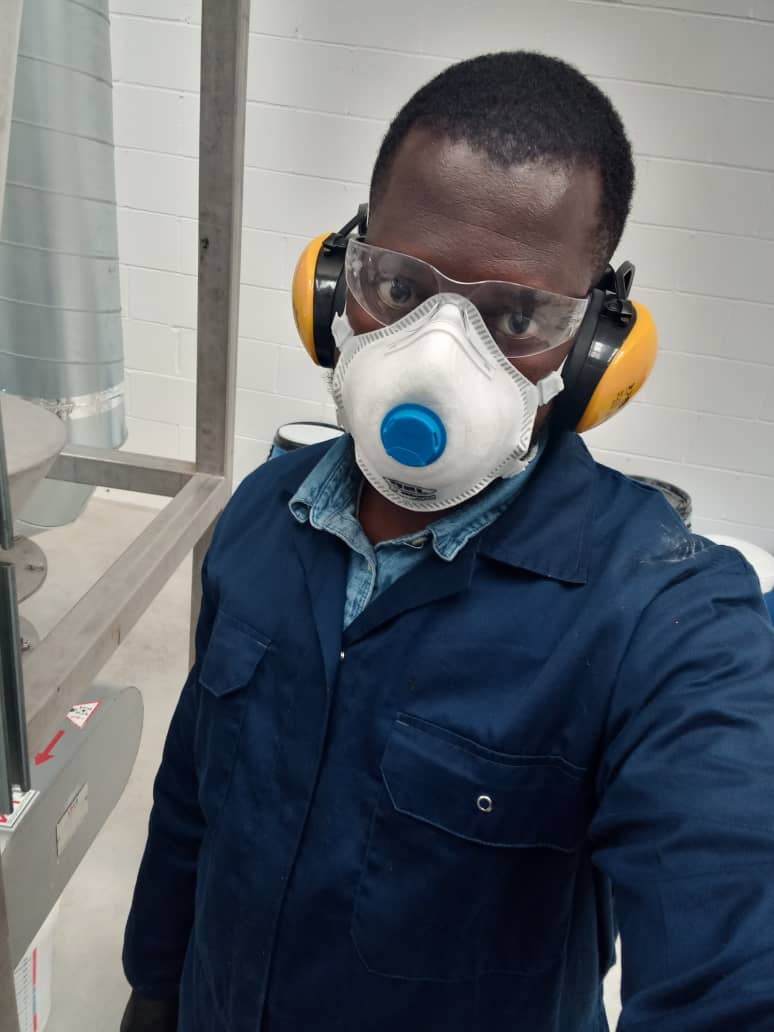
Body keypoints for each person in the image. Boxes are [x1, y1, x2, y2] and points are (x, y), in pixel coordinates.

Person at [120, 52, 774, 1032]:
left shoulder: (664, 619)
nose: (437, 351)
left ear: (596, 347)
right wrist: (154, 993)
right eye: (399, 285)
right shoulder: (262, 516)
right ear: (337, 278)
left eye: (517, 316)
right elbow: (191, 808)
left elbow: (732, 923)